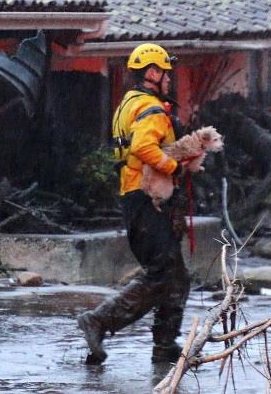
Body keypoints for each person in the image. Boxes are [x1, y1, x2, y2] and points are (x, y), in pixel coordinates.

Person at [77, 43, 191, 364]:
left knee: (177, 276)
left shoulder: (129, 103)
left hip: (139, 198)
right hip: (147, 199)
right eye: (165, 72)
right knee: (161, 272)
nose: (169, 78)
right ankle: (99, 320)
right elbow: (144, 147)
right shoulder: (152, 109)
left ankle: (165, 346)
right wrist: (175, 167)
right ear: (152, 73)